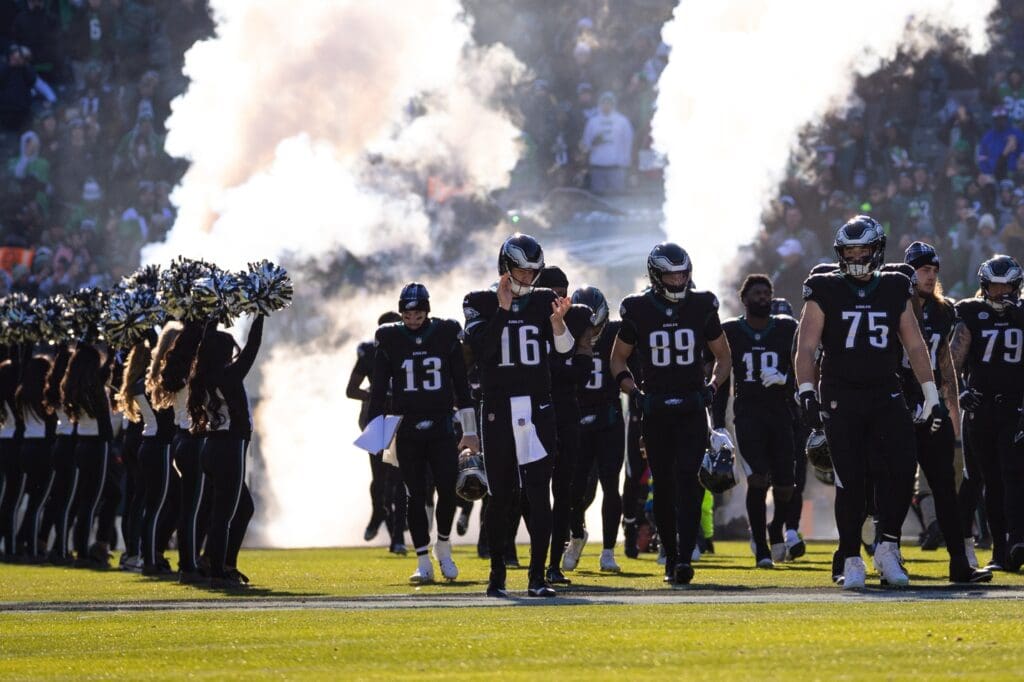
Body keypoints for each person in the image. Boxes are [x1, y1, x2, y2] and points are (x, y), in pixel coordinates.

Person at [795, 215, 938, 589]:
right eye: (850, 250)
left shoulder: (894, 285)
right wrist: (806, 391)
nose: (857, 256)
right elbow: (806, 346)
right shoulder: (823, 286)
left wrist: (931, 394)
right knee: (851, 480)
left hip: (885, 390)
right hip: (841, 393)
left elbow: (914, 344)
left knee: (903, 469)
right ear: (840, 253)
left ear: (878, 250)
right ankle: (851, 556)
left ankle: (887, 546)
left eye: (863, 249)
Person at [610, 242, 732, 585]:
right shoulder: (638, 308)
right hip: (657, 407)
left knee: (691, 483)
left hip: (691, 405)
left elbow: (723, 356)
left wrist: (711, 387)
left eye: (682, 274)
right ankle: (670, 556)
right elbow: (617, 359)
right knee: (662, 484)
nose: (678, 281)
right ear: (655, 275)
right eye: (671, 275)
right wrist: (633, 391)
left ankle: (683, 555)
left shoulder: (702, 304)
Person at [462, 233, 573, 598]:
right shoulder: (479, 300)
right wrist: (504, 309)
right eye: (522, 271)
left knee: (540, 495)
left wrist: (558, 323)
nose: (528, 279)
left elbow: (564, 351)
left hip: (537, 407)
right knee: (501, 494)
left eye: (532, 272)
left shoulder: (544, 301)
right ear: (505, 267)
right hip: (497, 407)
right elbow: (481, 350)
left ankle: (537, 577)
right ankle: (497, 574)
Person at [368, 283, 477, 584]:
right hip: (408, 427)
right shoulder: (389, 337)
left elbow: (461, 386)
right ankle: (422, 560)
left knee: (447, 487)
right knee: (414, 495)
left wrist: (470, 431)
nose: (412, 318)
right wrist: (376, 431)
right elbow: (378, 391)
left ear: (427, 311)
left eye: (417, 313)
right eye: (407, 313)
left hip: (442, 423)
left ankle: (443, 544)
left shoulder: (445, 333)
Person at [901, 242, 991, 583]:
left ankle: (959, 563)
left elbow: (945, 363)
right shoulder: (895, 304)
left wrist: (954, 398)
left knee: (944, 487)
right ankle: (887, 555)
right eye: (924, 270)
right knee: (895, 486)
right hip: (899, 402)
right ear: (910, 272)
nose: (930, 276)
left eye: (934, 270)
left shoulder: (943, 311)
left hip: (932, 404)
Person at [712, 275, 798, 568]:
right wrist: (718, 422)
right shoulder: (732, 331)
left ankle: (777, 529)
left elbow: (805, 367)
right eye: (757, 293)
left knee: (786, 485)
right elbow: (722, 377)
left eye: (767, 293)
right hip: (748, 415)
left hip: (781, 413)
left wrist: (786, 381)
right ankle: (761, 545)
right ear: (744, 298)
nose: (763, 297)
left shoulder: (787, 328)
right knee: (757, 480)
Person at [951, 255, 1024, 572]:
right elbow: (952, 362)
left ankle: (1018, 539)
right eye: (995, 286)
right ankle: (1000, 549)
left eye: (1007, 285)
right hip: (980, 408)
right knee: (991, 480)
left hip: (1016, 407)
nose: (1001, 292)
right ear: (984, 286)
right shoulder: (970, 312)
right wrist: (960, 392)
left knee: (1015, 474)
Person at [532, 266, 594, 585]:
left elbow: (583, 366)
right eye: (551, 289)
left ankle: (553, 564)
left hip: (566, 412)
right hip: (534, 412)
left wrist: (556, 372)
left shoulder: (580, 315)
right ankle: (533, 562)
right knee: (531, 492)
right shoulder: (527, 314)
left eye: (562, 288)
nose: (558, 295)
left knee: (564, 492)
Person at [566, 285, 625, 572]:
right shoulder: (562, 337)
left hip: (609, 417)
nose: (590, 333)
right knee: (574, 488)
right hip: (576, 418)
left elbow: (632, 371)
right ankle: (577, 534)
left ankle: (609, 550)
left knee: (611, 484)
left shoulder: (616, 333)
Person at [150, 321, 208, 583]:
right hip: (193, 439)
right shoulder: (195, 373)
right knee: (192, 509)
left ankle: (184, 560)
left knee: (184, 507)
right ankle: (189, 563)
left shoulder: (174, 370)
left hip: (179, 438)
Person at [347, 310, 407, 553]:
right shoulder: (371, 353)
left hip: (401, 418)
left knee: (398, 479)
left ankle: (397, 536)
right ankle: (379, 514)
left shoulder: (410, 348)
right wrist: (376, 396)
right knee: (381, 478)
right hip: (377, 418)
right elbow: (351, 390)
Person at [61, 343, 114, 569]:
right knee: (90, 502)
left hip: (82, 443)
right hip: (96, 445)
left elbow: (105, 369)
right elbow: (106, 425)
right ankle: (83, 553)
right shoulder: (94, 387)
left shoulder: (75, 384)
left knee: (85, 500)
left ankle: (80, 549)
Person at [13, 355, 54, 560]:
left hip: (26, 447)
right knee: (39, 502)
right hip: (42, 450)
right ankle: (30, 545)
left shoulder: (22, 393)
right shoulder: (42, 394)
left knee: (32, 501)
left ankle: (21, 540)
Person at [42, 343, 76, 564]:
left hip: (59, 442)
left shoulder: (54, 386)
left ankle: (46, 542)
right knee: (69, 499)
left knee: (57, 498)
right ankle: (60, 549)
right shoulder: (72, 386)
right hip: (72, 442)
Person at [580, 91, 633, 195]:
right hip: (597, 166)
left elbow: (628, 142)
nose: (606, 105)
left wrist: (627, 162)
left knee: (618, 198)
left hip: (616, 167)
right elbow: (585, 144)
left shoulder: (622, 121)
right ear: (599, 104)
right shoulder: (592, 122)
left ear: (613, 104)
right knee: (598, 199)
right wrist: (593, 143)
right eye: (603, 103)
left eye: (609, 103)